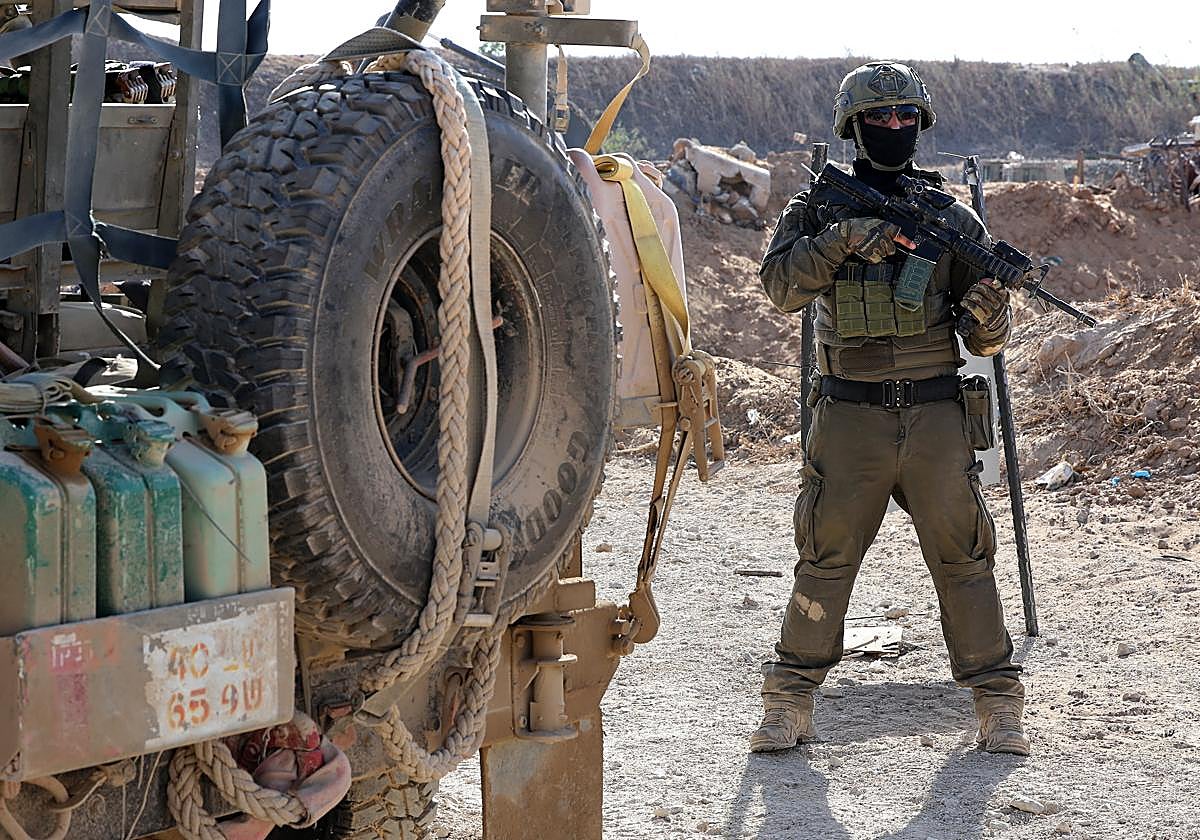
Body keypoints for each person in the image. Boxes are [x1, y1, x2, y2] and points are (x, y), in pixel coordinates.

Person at [751, 61, 1028, 756]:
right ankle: (788, 702)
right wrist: (843, 239)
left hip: (936, 414)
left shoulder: (947, 218)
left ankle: (998, 705)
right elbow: (781, 288)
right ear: (853, 127)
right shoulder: (816, 210)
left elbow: (983, 336)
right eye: (881, 118)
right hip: (850, 414)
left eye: (907, 117)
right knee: (825, 558)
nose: (896, 128)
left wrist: (992, 312)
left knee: (965, 559)